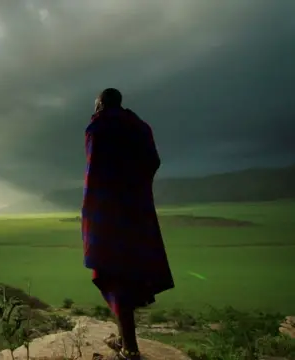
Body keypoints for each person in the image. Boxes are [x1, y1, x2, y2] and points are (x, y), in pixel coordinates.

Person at [82, 88, 175, 360]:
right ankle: (124, 337)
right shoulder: (140, 127)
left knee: (113, 273)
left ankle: (130, 349)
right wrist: (137, 188)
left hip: (109, 214)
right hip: (138, 211)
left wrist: (94, 210)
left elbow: (95, 172)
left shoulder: (97, 128)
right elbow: (153, 162)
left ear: (100, 104)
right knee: (130, 270)